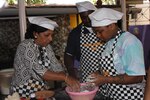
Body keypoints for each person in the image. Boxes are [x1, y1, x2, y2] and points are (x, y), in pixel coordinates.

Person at [11, 17, 80, 99]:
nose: (50, 39)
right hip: (23, 91)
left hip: (41, 90)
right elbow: (40, 71)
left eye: (52, 35)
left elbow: (56, 67)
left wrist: (68, 80)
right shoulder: (26, 46)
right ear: (35, 34)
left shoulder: (47, 47)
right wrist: (66, 78)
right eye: (47, 35)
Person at [88, 8, 146, 100]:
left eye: (100, 31)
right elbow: (114, 69)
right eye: (95, 32)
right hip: (112, 95)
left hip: (130, 96)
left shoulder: (129, 42)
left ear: (111, 26)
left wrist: (103, 79)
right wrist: (99, 73)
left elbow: (137, 77)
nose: (98, 35)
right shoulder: (108, 42)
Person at [64, 1, 103, 83]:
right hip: (86, 74)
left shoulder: (103, 29)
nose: (87, 20)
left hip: (106, 73)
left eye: (89, 16)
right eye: (84, 17)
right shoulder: (75, 33)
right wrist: (72, 75)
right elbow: (68, 55)